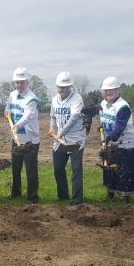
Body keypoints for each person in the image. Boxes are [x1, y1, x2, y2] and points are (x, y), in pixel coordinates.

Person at [98, 76, 134, 204]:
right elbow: (104, 118)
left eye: (111, 91)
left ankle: (125, 197)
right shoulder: (103, 104)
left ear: (117, 91)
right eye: (106, 91)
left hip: (124, 143)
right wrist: (102, 127)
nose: (108, 94)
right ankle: (110, 194)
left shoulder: (123, 106)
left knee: (124, 171)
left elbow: (120, 126)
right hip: (110, 142)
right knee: (109, 170)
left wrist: (111, 136)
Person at [48, 71, 87, 205]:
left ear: (70, 86)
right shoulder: (54, 100)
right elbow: (52, 116)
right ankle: (63, 195)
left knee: (76, 170)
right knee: (58, 168)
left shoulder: (77, 99)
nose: (62, 89)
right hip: (60, 141)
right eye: (60, 87)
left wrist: (60, 133)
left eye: (65, 87)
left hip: (76, 140)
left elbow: (74, 118)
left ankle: (77, 200)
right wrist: (52, 128)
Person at [5, 67, 40, 204]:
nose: (19, 85)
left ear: (27, 82)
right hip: (16, 139)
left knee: (31, 171)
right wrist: (7, 112)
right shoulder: (12, 94)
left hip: (30, 141)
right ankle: (16, 193)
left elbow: (27, 116)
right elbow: (8, 107)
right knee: (16, 168)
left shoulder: (32, 99)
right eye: (17, 82)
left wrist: (17, 124)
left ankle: (32, 197)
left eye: (22, 82)